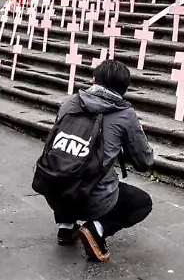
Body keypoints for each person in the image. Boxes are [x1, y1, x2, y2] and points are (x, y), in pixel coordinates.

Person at [36, 60, 154, 263]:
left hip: (51, 186)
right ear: (125, 89)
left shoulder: (70, 102)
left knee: (71, 163)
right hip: (91, 197)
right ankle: (97, 229)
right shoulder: (125, 114)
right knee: (141, 202)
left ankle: (65, 228)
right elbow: (144, 161)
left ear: (93, 80)